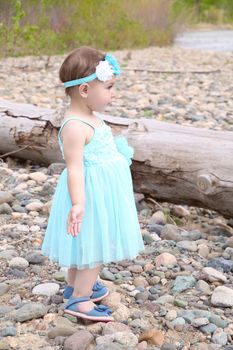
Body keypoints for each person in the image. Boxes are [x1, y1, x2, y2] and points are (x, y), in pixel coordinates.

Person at [41, 46, 144, 322]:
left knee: (84, 243)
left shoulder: (89, 116)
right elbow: (74, 169)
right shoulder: (75, 126)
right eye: (109, 87)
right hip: (89, 194)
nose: (114, 94)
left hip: (102, 189)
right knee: (94, 245)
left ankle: (76, 286)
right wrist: (78, 204)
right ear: (85, 90)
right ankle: (80, 300)